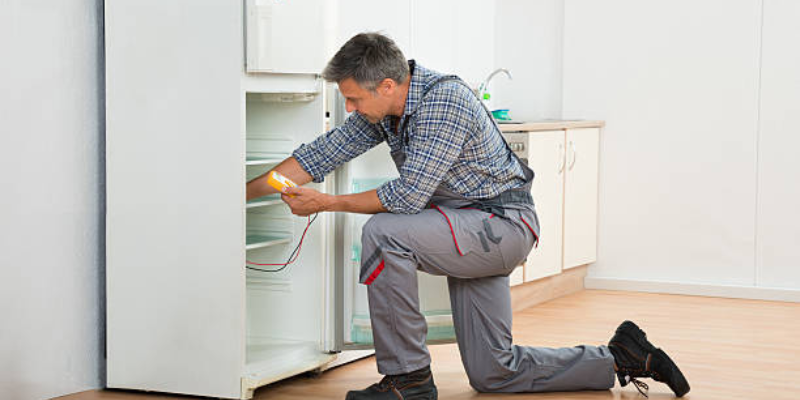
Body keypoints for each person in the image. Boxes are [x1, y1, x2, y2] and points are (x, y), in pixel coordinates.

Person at [246, 32, 690, 400]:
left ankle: (409, 380)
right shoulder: (384, 112)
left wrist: (327, 203)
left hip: (500, 225)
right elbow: (320, 155)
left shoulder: (444, 101)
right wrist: (237, 197)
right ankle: (621, 357)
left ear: (386, 85)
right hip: (464, 228)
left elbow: (407, 196)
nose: (349, 108)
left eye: (353, 98)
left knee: (384, 232)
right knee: (494, 372)